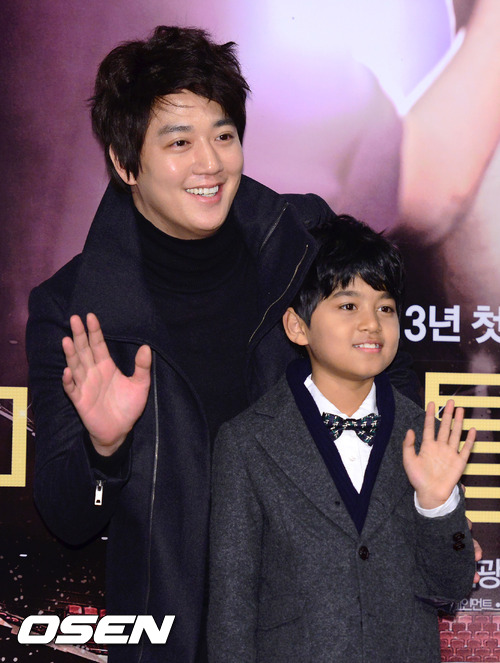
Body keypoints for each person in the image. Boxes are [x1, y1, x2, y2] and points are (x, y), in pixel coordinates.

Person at [24, 25, 437, 663]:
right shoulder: (73, 311)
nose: (210, 164)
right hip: (177, 640)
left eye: (223, 135)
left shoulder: (304, 241)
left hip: (326, 631)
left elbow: (394, 381)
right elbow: (69, 515)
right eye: (179, 142)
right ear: (125, 163)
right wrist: (104, 450)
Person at [208, 218, 476, 663]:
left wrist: (436, 504)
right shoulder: (247, 442)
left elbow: (451, 587)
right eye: (348, 306)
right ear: (297, 326)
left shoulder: (424, 436)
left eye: (385, 308)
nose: (372, 324)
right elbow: (230, 611)